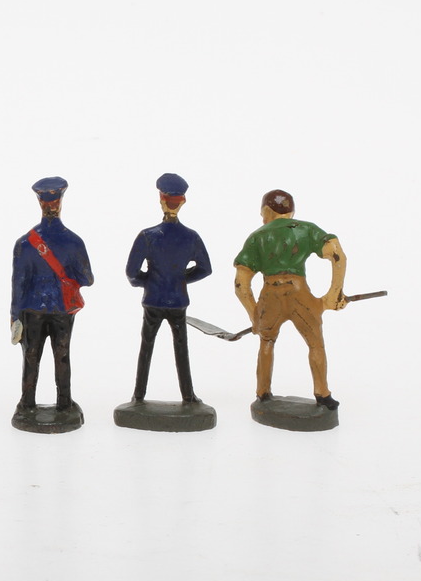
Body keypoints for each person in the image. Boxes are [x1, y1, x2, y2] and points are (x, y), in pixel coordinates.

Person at [232, 189, 347, 409]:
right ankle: (323, 394)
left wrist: (255, 315)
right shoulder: (305, 229)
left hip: (270, 296)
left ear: (267, 211)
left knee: (266, 341)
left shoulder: (256, 237)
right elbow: (337, 253)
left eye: (262, 214)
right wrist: (335, 293)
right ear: (291, 212)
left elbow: (240, 285)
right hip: (299, 294)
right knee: (315, 343)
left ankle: (262, 392)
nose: (262, 219)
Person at [10, 177, 93, 422]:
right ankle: (64, 404)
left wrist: (14, 317)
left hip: (32, 310)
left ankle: (27, 404)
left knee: (30, 357)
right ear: (60, 203)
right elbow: (87, 278)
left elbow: (18, 284)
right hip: (61, 310)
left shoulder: (24, 243)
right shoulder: (74, 241)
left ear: (40, 203)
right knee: (62, 355)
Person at [125, 172, 212, 403]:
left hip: (153, 299)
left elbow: (131, 273)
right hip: (178, 300)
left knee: (146, 347)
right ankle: (188, 395)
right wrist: (180, 279)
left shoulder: (148, 236)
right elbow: (205, 269)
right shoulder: (191, 237)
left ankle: (138, 395)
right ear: (182, 201)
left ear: (161, 199)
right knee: (182, 349)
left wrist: (148, 282)